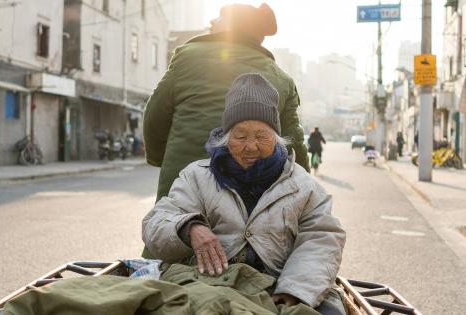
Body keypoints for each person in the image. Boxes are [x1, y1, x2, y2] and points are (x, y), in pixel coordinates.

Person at [143, 74, 346, 314]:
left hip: (280, 287)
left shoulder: (303, 185)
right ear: (226, 138)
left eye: (262, 136)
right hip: (210, 285)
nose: (251, 146)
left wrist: (294, 290)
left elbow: (322, 238)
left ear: (277, 138)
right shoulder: (197, 177)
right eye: (240, 137)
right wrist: (189, 228)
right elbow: (156, 222)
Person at [143, 2, 309, 203]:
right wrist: (306, 195)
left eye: (220, 17)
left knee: (175, 229)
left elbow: (155, 119)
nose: (212, 21)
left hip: (183, 193)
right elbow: (294, 147)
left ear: (235, 27)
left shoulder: (187, 57)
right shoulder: (283, 80)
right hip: (252, 201)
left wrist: (162, 160)